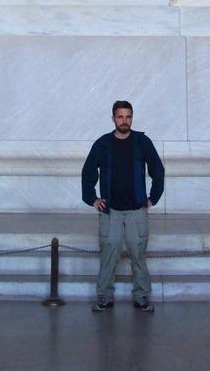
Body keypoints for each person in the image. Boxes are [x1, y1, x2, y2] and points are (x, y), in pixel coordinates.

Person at [81, 100, 164, 313]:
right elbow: (88, 171)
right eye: (120, 117)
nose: (124, 121)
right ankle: (104, 296)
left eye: (128, 117)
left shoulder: (142, 142)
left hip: (137, 210)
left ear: (132, 118)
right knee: (109, 254)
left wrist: (152, 198)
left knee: (138, 254)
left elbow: (158, 170)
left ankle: (142, 296)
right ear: (113, 118)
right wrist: (92, 198)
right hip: (111, 211)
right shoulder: (103, 144)